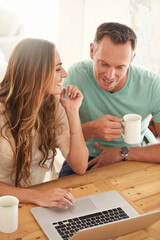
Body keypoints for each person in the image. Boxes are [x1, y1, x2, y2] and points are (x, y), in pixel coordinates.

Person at [59, 22, 160, 178]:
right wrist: (92, 129)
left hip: (131, 156)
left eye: (120, 67)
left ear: (132, 59)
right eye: (104, 64)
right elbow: (56, 137)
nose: (110, 75)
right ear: (92, 51)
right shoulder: (75, 76)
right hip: (83, 157)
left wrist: (122, 152)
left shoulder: (153, 85)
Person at [0, 38, 88, 208]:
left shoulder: (54, 104)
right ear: (34, 73)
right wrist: (36, 196)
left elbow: (80, 166)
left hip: (32, 203)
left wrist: (73, 112)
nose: (64, 73)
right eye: (57, 68)